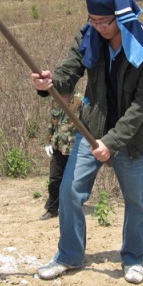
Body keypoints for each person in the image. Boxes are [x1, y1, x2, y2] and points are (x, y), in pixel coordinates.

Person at [30, 0, 143, 284]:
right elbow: (68, 73)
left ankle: (133, 257)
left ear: (122, 16)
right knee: (69, 191)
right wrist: (49, 83)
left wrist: (112, 143)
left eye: (106, 21)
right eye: (93, 20)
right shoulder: (88, 36)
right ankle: (69, 255)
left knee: (136, 202)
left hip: (131, 138)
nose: (99, 27)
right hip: (91, 129)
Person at [41, 91, 83, 221]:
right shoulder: (55, 99)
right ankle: (52, 209)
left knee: (73, 181)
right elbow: (52, 123)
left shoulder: (80, 100)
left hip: (73, 147)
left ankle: (71, 209)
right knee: (54, 179)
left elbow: (86, 124)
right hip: (58, 146)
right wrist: (48, 141)